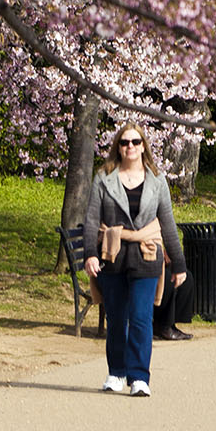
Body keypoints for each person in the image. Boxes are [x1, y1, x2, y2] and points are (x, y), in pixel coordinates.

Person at [82, 123, 188, 396]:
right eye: (125, 142)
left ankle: (139, 377)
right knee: (117, 318)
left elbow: (167, 222)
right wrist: (90, 255)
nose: (130, 147)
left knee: (141, 318)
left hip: (146, 255)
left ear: (143, 146)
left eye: (136, 142)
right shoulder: (104, 177)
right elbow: (92, 219)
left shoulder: (157, 180)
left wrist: (179, 264)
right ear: (118, 146)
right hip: (112, 255)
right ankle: (116, 372)